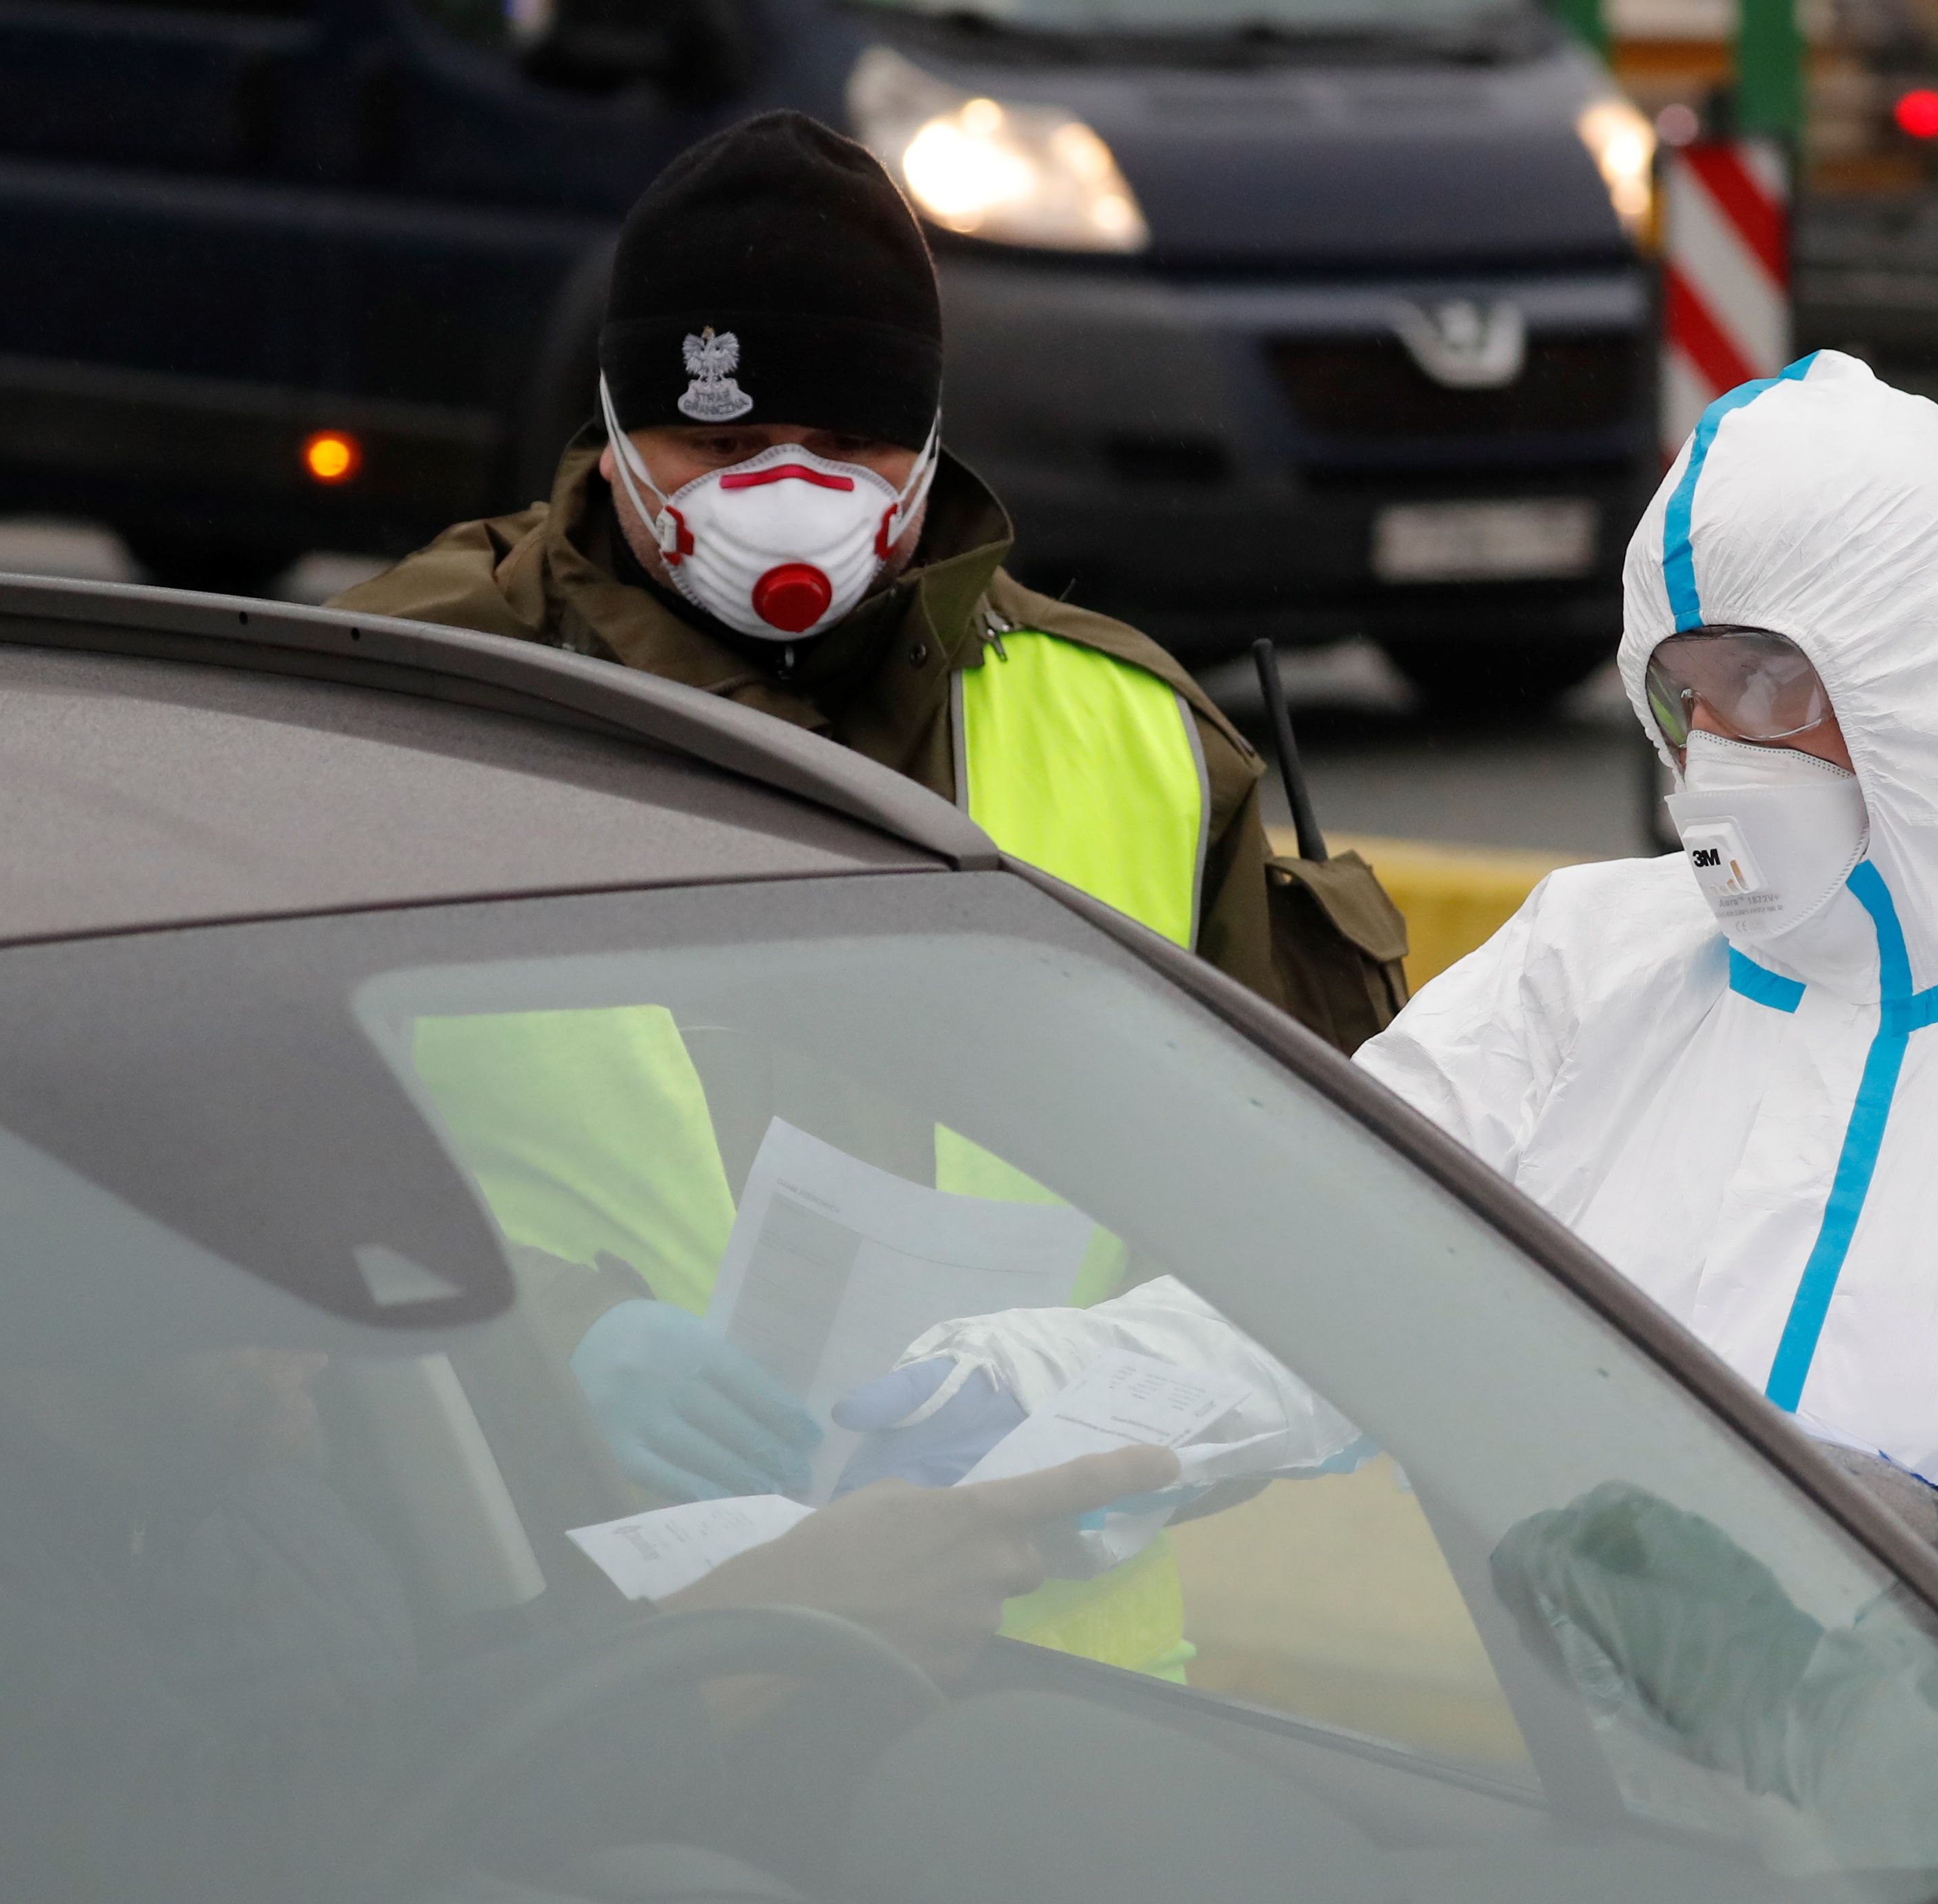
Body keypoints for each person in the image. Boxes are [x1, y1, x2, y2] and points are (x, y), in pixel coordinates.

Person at [857, 352, 1938, 1841]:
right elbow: (1316, 1262)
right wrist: (1023, 1393)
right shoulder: (1587, 972)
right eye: (1680, 697)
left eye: (1767, 680)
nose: (1717, 754)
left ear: (1930, 664)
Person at [331, 112, 1406, 1576]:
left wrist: (1110, 1421)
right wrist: (542, 1340)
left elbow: (1304, 1226)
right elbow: (216, 1156)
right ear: (613, 427)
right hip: (571, 1638)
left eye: (845, 444)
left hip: (1032, 1655)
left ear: (929, 438)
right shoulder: (399, 702)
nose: (785, 496)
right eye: (716, 442)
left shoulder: (1139, 737)